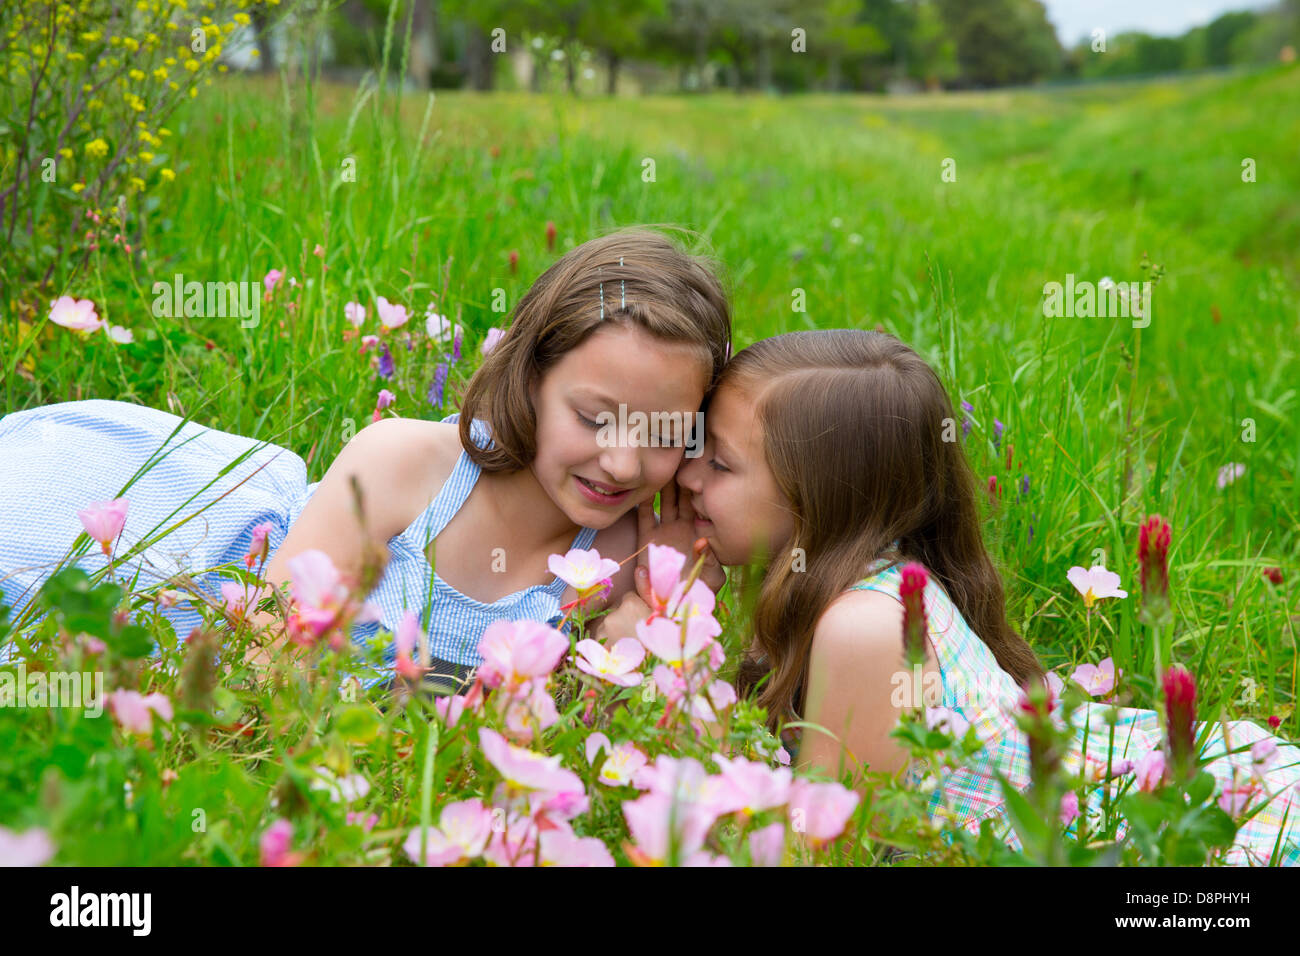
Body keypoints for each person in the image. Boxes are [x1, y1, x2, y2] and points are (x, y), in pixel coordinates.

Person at [603, 328, 1300, 865]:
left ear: (818, 503)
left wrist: (650, 628)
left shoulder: (864, 626)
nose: (684, 475)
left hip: (1200, 830)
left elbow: (821, 849)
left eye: (719, 462)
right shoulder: (859, 590)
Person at [0, 228, 732, 691]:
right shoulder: (407, 465)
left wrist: (652, 602)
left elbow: (596, 710)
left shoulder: (629, 548)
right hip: (215, 586)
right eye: (594, 419)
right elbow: (264, 649)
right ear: (530, 378)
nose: (624, 463)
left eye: (663, 431)